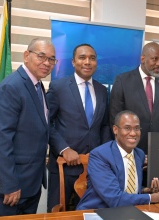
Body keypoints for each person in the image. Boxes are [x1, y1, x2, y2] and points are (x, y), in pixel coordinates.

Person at [0, 38, 56, 217]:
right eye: (41, 56)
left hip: (30, 184)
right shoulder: (11, 87)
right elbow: (0, 140)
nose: (47, 63)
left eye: (51, 59)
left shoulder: (37, 86)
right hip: (9, 188)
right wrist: (10, 185)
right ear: (26, 56)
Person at [46, 43, 111, 211]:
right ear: (73, 62)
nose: (87, 62)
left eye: (92, 58)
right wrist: (64, 148)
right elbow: (46, 123)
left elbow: (104, 125)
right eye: (82, 58)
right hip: (63, 167)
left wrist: (103, 154)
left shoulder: (102, 90)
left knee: (90, 215)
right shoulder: (58, 87)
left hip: (93, 169)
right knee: (57, 216)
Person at [76, 110, 159, 210]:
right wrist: (152, 198)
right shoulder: (100, 155)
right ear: (115, 129)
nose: (133, 133)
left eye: (137, 128)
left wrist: (146, 191)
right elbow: (114, 198)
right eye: (127, 128)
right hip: (97, 211)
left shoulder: (139, 154)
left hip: (129, 212)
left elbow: (126, 187)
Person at [109, 42, 159, 154]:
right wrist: (125, 146)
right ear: (143, 58)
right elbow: (115, 117)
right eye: (155, 59)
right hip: (128, 149)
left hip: (157, 151)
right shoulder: (123, 81)